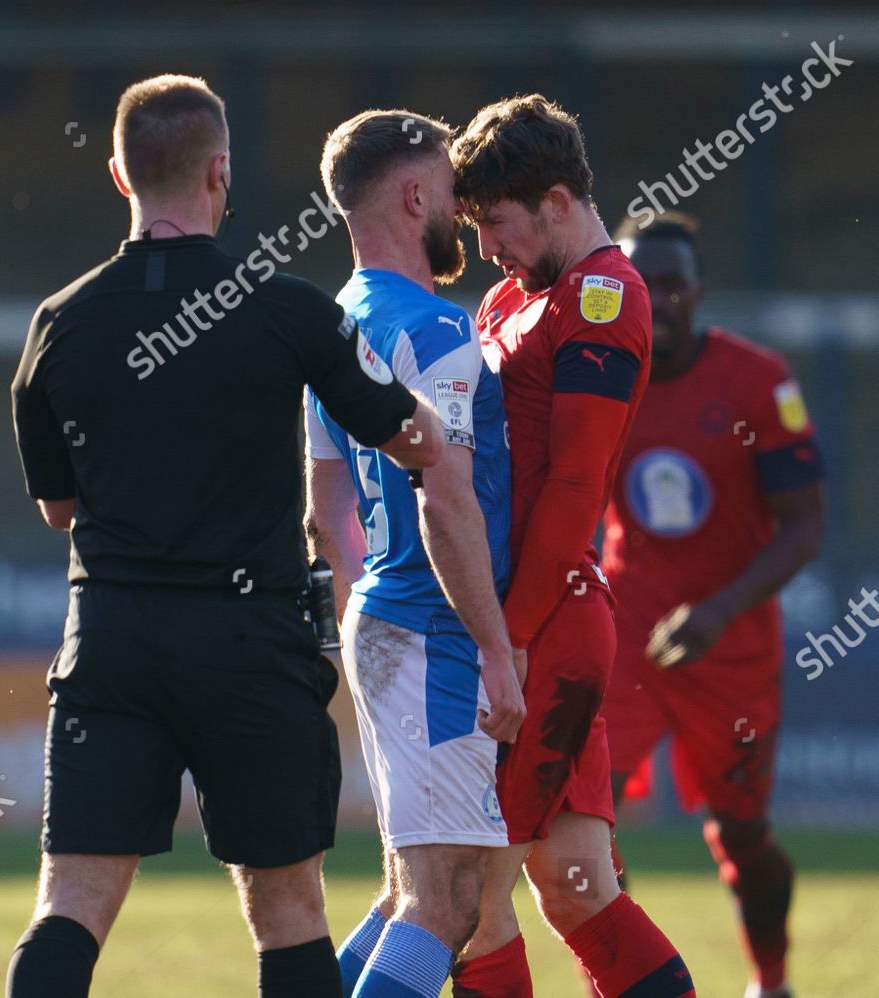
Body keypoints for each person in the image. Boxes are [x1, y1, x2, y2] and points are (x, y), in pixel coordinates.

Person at [7, 74, 443, 998]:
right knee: (289, 913)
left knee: (70, 904)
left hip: (114, 637)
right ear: (220, 172)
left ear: (120, 179)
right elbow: (409, 434)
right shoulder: (284, 310)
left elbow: (58, 510)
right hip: (251, 644)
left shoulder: (60, 323)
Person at [447, 94, 696, 998]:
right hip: (545, 620)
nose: (485, 248)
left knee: (464, 897)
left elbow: (574, 485)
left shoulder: (601, 293)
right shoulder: (515, 292)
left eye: (495, 222)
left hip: (541, 627)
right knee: (576, 886)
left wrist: (506, 635)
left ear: (556, 201)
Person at [304, 108, 527, 998]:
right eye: (448, 188)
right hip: (435, 632)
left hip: (386, 617)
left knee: (419, 891)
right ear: (411, 192)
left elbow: (324, 507)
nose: (462, 210)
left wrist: (366, 619)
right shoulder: (434, 329)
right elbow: (445, 496)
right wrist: (493, 649)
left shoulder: (336, 322)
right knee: (444, 902)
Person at [601, 212, 826, 998]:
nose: (655, 300)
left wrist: (719, 611)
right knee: (581, 821)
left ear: (697, 292)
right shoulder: (599, 377)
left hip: (729, 643)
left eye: (670, 285)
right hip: (624, 628)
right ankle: (625, 979)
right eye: (639, 285)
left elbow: (804, 527)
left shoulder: (758, 383)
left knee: (742, 835)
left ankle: (771, 979)